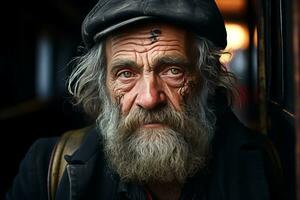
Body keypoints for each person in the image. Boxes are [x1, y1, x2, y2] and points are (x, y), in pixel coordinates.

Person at [6, 0, 284, 200]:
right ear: (103, 85)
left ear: (207, 79)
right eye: (126, 73)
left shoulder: (267, 166)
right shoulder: (45, 170)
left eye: (172, 70)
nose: (150, 98)